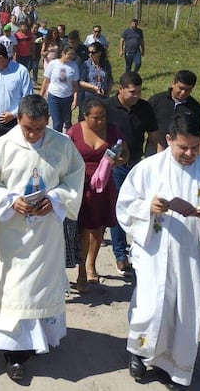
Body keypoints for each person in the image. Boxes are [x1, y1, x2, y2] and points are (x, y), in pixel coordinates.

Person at [116, 113, 200, 390]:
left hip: (191, 256)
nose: (188, 153)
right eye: (182, 147)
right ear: (169, 139)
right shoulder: (149, 168)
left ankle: (175, 366)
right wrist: (147, 207)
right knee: (151, 308)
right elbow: (125, 204)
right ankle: (139, 350)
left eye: (194, 147)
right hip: (154, 253)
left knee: (185, 311)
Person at [0, 94, 85, 382]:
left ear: (47, 121)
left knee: (41, 288)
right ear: (18, 119)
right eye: (28, 128)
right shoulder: (0, 148)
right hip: (13, 236)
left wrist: (54, 197)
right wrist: (8, 200)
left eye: (39, 128)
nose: (33, 134)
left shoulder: (62, 145)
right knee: (15, 290)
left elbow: (74, 178)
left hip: (46, 234)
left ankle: (39, 341)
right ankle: (14, 354)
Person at [66, 99, 129, 291]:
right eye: (96, 117)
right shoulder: (74, 132)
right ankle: (82, 271)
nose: (100, 121)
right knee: (84, 229)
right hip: (81, 185)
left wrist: (116, 163)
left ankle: (92, 263)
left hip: (103, 186)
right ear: (85, 116)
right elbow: (64, 157)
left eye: (103, 117)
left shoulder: (113, 131)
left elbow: (125, 153)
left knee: (98, 229)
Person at [105, 71, 163, 275]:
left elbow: (155, 137)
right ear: (120, 89)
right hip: (115, 166)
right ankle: (120, 254)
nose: (136, 95)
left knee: (141, 209)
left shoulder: (144, 108)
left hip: (138, 166)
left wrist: (158, 163)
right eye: (132, 92)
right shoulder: (107, 107)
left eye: (139, 91)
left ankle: (138, 250)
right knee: (120, 207)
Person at [147, 70, 200, 156]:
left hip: (182, 155)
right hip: (154, 153)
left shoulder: (195, 108)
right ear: (173, 83)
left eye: (188, 90)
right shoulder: (156, 101)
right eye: (181, 88)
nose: (183, 93)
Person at [40, 47, 79, 133]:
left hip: (67, 97)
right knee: (57, 123)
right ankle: (55, 141)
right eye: (69, 54)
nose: (71, 56)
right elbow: (46, 81)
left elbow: (75, 85)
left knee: (64, 121)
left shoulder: (74, 66)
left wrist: (75, 100)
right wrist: (41, 96)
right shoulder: (53, 64)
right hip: (54, 96)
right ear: (63, 53)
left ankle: (60, 140)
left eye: (73, 54)